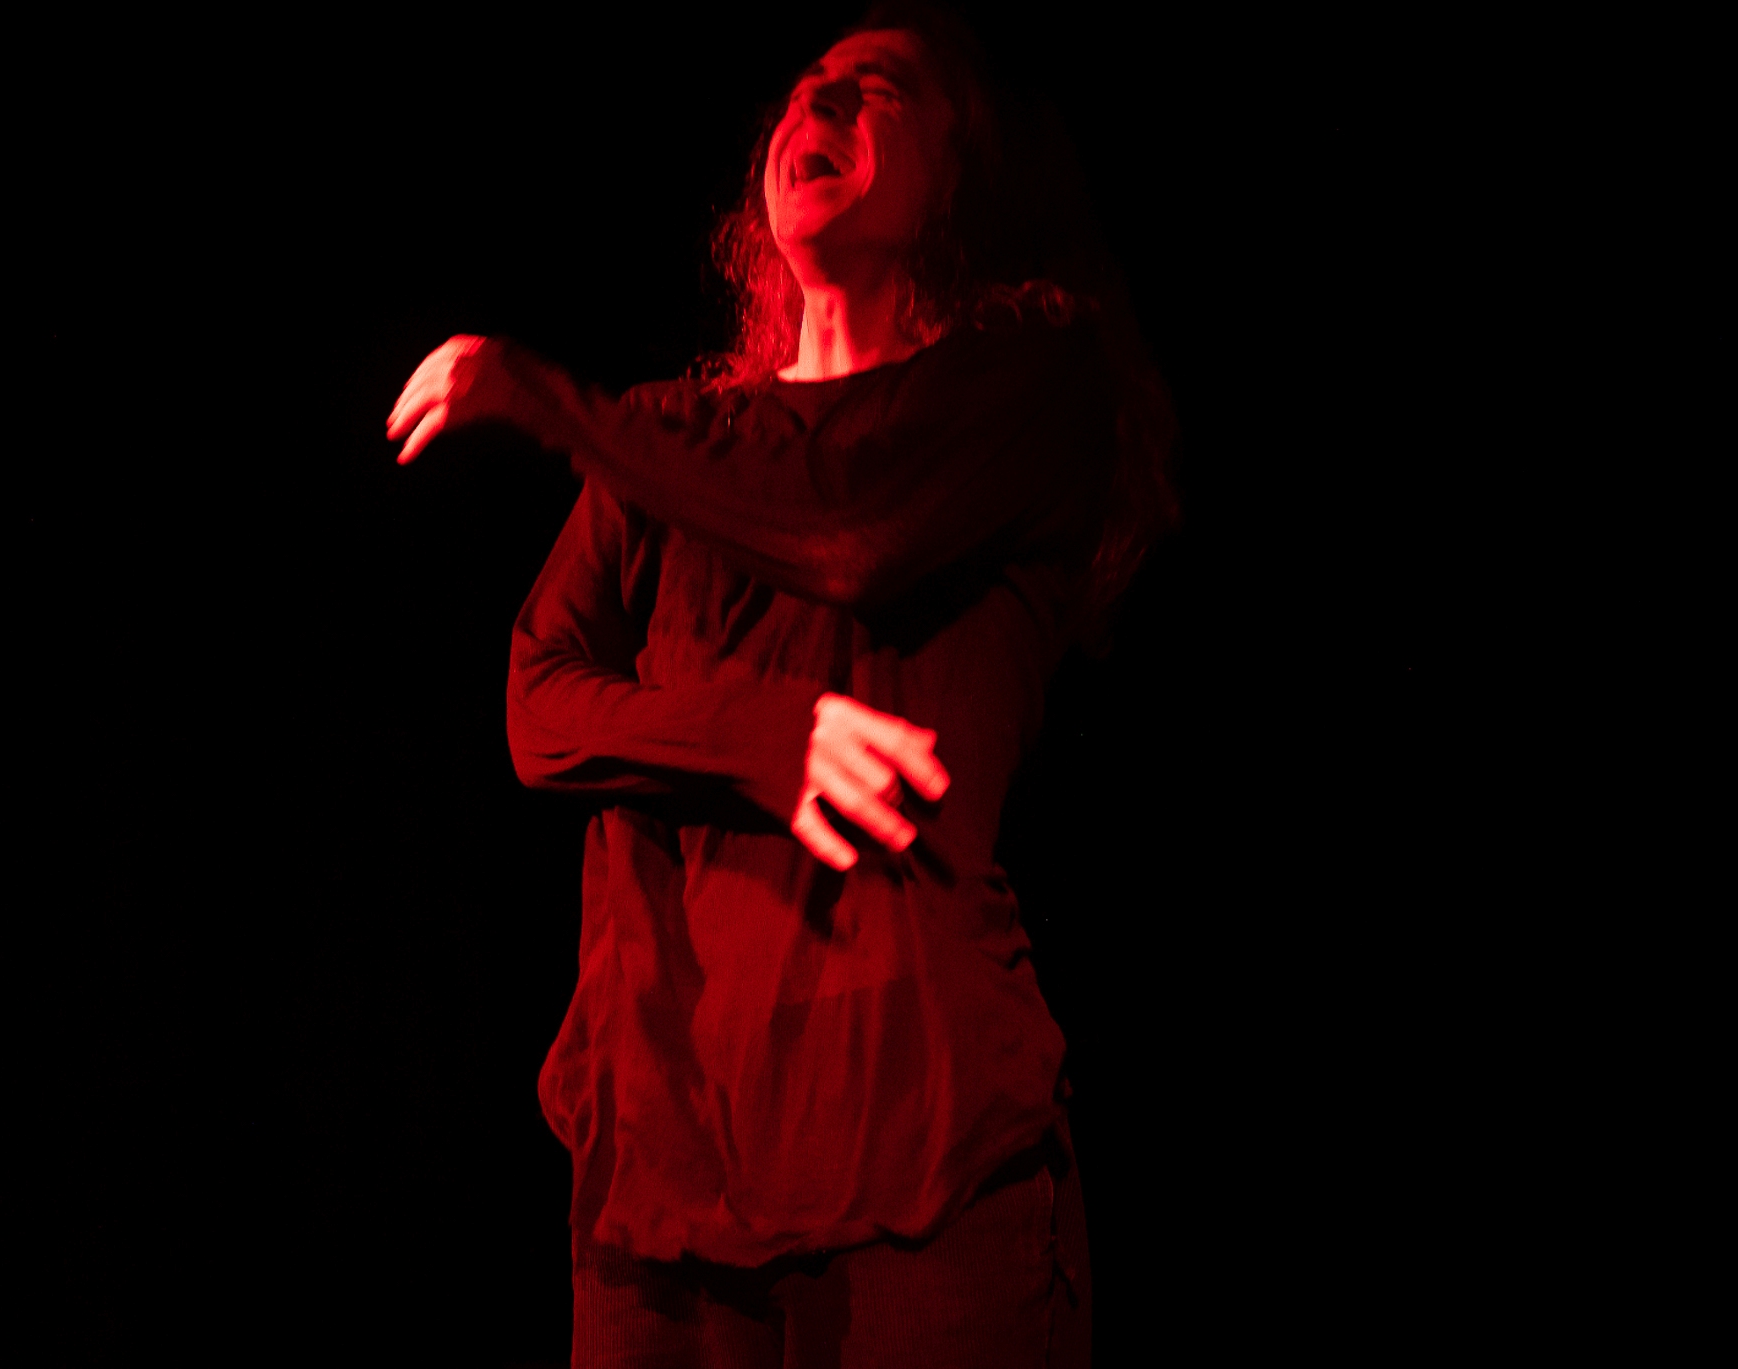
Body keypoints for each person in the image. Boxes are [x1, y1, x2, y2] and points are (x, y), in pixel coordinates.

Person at [387, 6, 1176, 1365]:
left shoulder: (1033, 392)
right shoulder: (672, 441)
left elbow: (850, 531)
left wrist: (548, 402)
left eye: (882, 89)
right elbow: (538, 702)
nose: (822, 102)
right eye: (808, 87)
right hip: (667, 1158)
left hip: (923, 1151)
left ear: (964, 174)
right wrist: (763, 733)